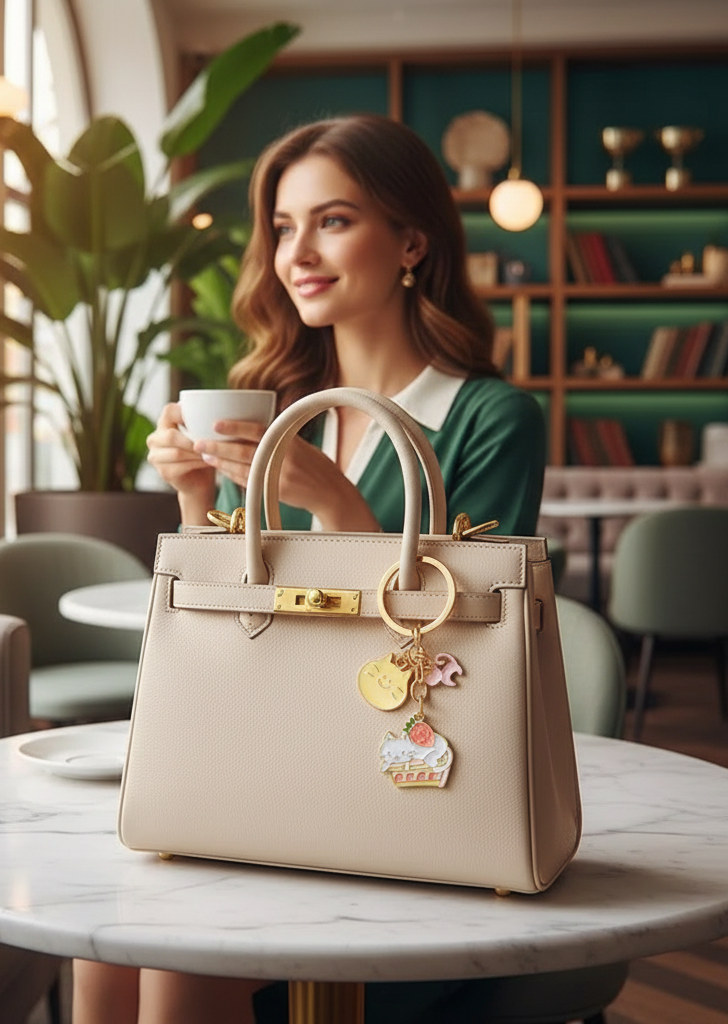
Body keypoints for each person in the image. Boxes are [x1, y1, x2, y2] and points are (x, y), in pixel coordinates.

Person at [73, 113, 546, 1024]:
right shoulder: (280, 412)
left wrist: (336, 507)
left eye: (332, 220)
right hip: (268, 759)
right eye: (284, 228)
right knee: (105, 942)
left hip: (410, 788)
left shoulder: (490, 419)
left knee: (175, 959)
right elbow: (242, 628)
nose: (297, 252)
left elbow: (463, 654)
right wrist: (191, 502)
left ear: (412, 240)